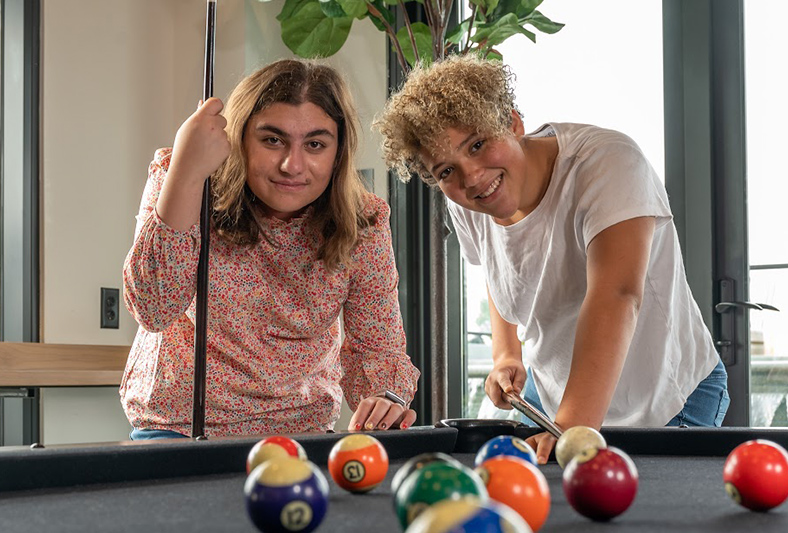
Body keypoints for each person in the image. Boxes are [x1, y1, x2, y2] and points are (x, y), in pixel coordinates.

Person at [374, 54, 728, 463]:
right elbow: (498, 269)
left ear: (512, 123)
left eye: (477, 144)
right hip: (560, 405)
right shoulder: (468, 200)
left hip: (667, 398)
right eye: (446, 170)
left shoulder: (608, 162)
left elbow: (617, 294)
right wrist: (506, 354)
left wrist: (572, 426)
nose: (471, 176)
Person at [121, 59, 419, 439]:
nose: (292, 165)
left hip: (303, 433)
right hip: (180, 431)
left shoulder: (364, 224)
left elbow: (379, 350)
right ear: (240, 138)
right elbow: (153, 308)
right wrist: (187, 170)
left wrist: (386, 397)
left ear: (338, 153)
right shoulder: (185, 180)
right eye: (272, 140)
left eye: (315, 144)